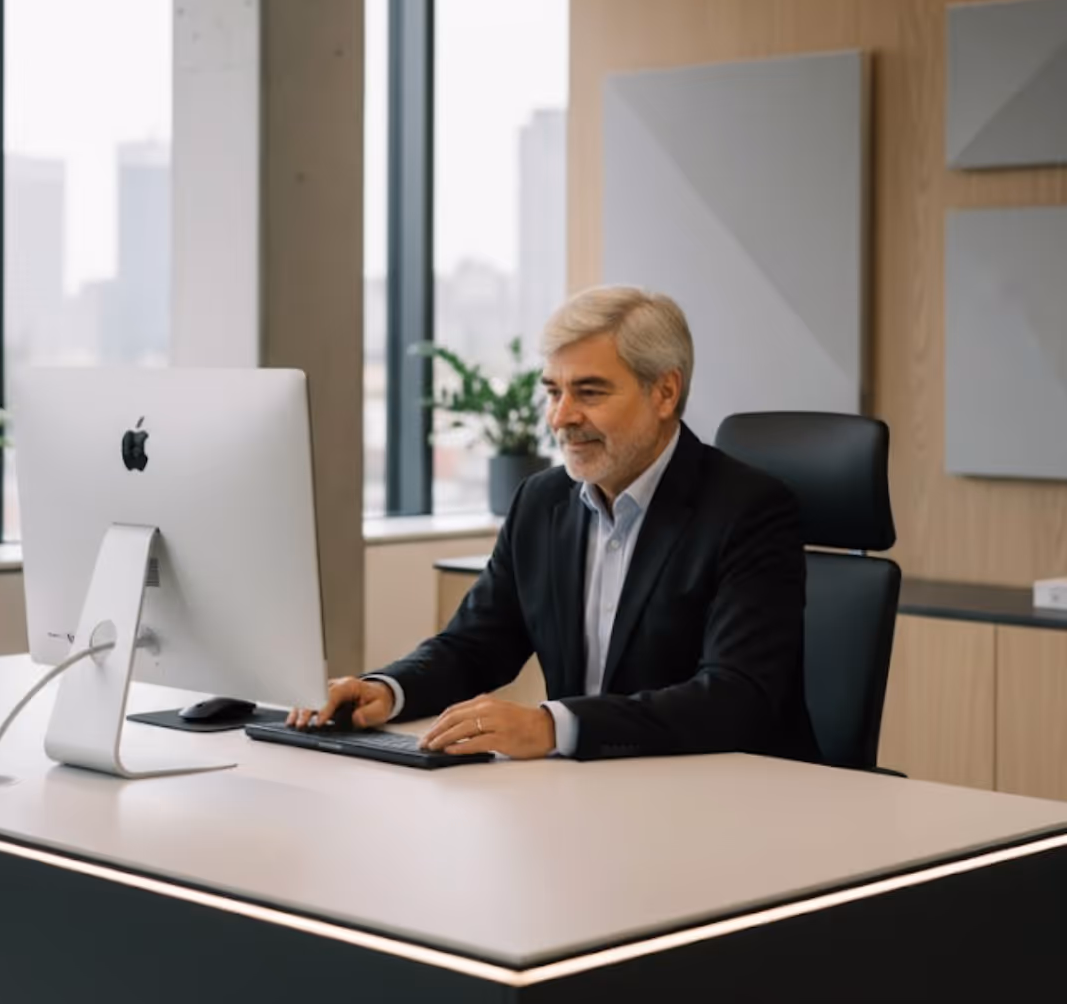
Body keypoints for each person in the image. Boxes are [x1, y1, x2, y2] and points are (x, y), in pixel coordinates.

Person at [289, 285, 820, 763]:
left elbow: (734, 697)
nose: (560, 417)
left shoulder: (748, 509)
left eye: (589, 392)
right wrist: (388, 689)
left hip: (731, 801)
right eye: (552, 391)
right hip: (588, 797)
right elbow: (476, 645)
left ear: (664, 393)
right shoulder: (542, 502)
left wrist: (554, 725)